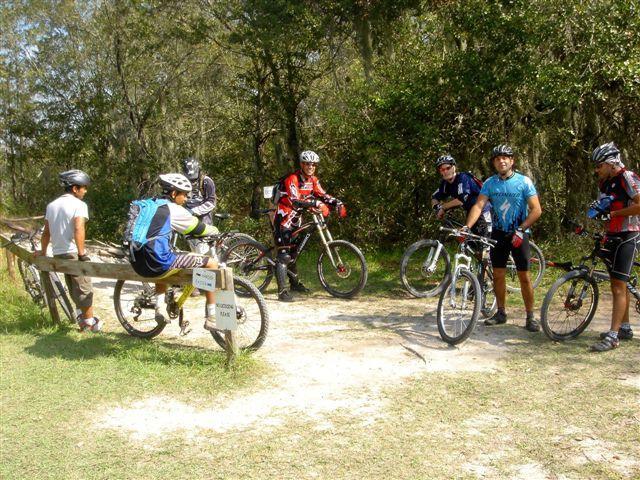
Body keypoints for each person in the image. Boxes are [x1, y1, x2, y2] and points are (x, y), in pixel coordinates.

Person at [463, 145, 543, 332]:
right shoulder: (490, 183)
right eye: (498, 158)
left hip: (519, 234)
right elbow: (478, 206)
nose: (501, 161)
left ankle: (530, 316)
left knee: (524, 277)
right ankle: (501, 313)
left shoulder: (524, 182)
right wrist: (467, 226)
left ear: (512, 160)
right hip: (498, 234)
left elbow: (536, 210)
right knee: (498, 275)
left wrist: (521, 229)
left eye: (505, 157)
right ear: (494, 162)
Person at [127, 173, 220, 330]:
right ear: (174, 193)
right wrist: (215, 230)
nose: (186, 199)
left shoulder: (150, 204)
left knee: (165, 254)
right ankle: (212, 317)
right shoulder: (174, 209)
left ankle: (159, 307)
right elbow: (199, 228)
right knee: (211, 264)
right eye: (183, 195)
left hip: (136, 261)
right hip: (158, 264)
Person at [273, 150, 345, 302]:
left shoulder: (313, 180)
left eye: (313, 164)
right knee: (284, 255)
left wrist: (338, 203)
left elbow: (322, 195)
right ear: (302, 164)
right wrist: (315, 203)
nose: (310, 167)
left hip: (296, 220)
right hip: (283, 219)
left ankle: (295, 284)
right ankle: (282, 292)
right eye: (307, 164)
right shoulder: (292, 178)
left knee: (293, 253)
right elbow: (295, 200)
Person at [589, 142, 640, 352]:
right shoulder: (604, 183)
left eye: (599, 165)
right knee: (617, 283)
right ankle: (624, 327)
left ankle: (613, 336)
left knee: (619, 286)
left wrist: (614, 214)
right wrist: (599, 211)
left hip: (629, 234)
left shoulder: (628, 177)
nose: (596, 170)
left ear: (611, 163)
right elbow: (608, 206)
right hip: (612, 233)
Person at [37, 170, 102, 332]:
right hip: (73, 251)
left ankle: (82, 318)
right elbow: (78, 228)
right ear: (74, 188)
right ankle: (89, 323)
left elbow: (46, 232)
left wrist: (43, 252)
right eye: (84, 188)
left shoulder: (52, 205)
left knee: (73, 285)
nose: (85, 191)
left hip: (59, 252)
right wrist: (82, 253)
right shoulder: (79, 205)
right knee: (84, 287)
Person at [431, 154, 492, 240]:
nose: (445, 171)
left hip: (484, 210)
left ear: (454, 167)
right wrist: (436, 207)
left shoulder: (463, 178)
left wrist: (443, 207)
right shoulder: (445, 184)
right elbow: (434, 197)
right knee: (474, 245)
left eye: (448, 168)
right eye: (442, 169)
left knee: (485, 245)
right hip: (471, 214)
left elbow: (461, 200)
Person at [182, 156, 217, 255]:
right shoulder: (182, 181)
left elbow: (211, 202)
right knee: (194, 250)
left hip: (204, 221)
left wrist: (194, 211)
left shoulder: (206, 181)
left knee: (204, 252)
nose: (191, 181)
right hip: (188, 222)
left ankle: (216, 267)